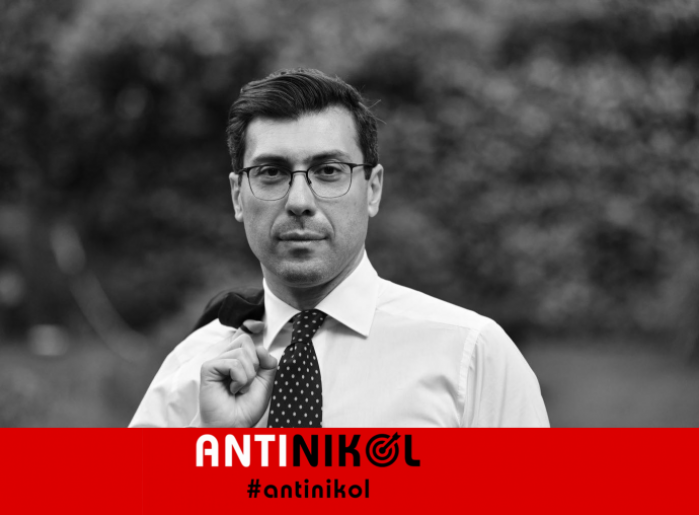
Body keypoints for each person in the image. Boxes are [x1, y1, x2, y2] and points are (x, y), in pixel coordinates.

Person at [130, 68, 549, 428]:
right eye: (271, 172)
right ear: (239, 196)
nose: (299, 201)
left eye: (329, 170)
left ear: (373, 189)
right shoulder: (190, 373)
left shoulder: (469, 356)